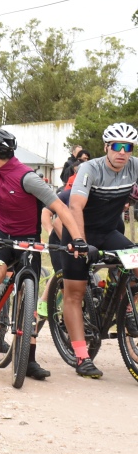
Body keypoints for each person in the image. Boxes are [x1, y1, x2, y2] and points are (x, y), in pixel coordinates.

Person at [0, 130, 85, 378]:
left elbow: (60, 207)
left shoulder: (28, 178)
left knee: (29, 296)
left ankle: (28, 360)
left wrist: (78, 239)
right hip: (2, 235)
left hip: (28, 240)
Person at [60, 124, 138, 379]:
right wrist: (80, 242)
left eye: (128, 147)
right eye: (117, 146)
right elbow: (75, 206)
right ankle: (82, 357)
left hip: (107, 232)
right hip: (77, 231)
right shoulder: (89, 168)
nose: (122, 152)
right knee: (75, 292)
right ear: (106, 147)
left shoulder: (134, 166)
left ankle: (124, 305)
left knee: (135, 263)